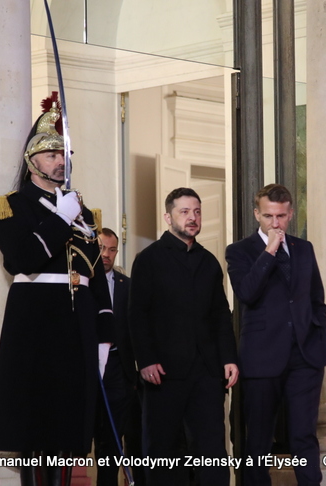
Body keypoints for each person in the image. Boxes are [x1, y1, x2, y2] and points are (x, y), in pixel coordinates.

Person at [0, 92, 114, 486]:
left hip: (78, 325)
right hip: (37, 321)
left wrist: (104, 334)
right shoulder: (10, 205)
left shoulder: (84, 212)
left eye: (63, 153)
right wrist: (60, 218)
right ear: (32, 160)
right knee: (35, 423)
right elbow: (24, 259)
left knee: (71, 426)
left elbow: (95, 275)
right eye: (51, 154)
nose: (61, 161)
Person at [128, 187, 238, 486]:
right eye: (185, 211)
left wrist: (229, 358)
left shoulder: (209, 262)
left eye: (197, 211)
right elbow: (137, 314)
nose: (193, 218)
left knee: (212, 449)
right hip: (162, 371)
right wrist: (146, 360)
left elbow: (220, 315)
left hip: (206, 371)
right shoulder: (148, 259)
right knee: (163, 449)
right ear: (168, 217)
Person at [225, 183, 326, 486]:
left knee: (304, 436)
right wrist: (270, 250)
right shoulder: (239, 251)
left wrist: (321, 340)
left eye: (282, 216)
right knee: (257, 440)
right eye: (269, 216)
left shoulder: (304, 248)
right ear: (257, 213)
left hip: (305, 356)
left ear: (290, 214)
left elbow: (316, 300)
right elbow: (247, 293)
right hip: (261, 357)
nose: (276, 223)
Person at [93, 228, 145, 486]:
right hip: (88, 368)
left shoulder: (127, 285)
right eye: (102, 248)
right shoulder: (80, 281)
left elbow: (137, 329)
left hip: (118, 369)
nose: (106, 255)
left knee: (113, 441)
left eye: (112, 250)